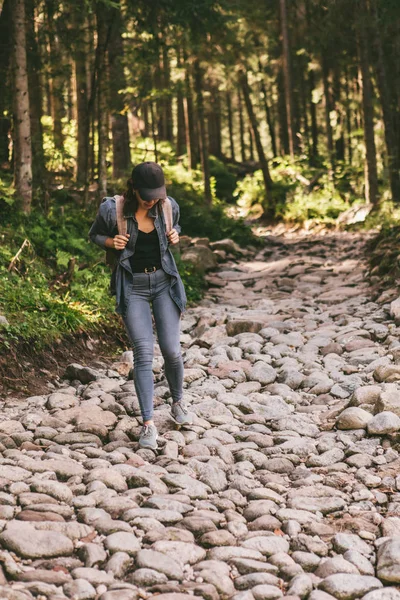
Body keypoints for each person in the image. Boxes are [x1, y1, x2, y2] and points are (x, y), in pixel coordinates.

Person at [89, 161, 193, 450]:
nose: (152, 200)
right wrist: (111, 241)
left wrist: (175, 234)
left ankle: (178, 402)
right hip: (132, 287)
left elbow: (177, 225)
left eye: (156, 194)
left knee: (172, 350)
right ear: (133, 188)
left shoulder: (168, 206)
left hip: (164, 284)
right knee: (143, 354)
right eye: (147, 195)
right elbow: (94, 235)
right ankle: (148, 423)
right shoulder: (113, 210)